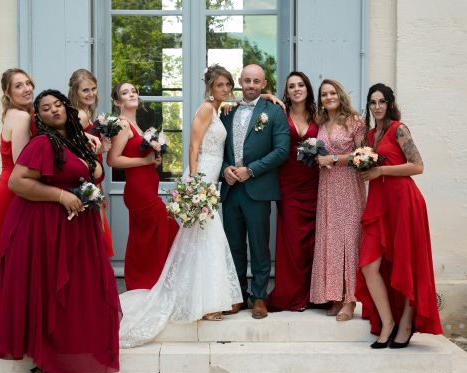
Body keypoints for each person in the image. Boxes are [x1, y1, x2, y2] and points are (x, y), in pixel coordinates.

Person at [0, 89, 121, 373]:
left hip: (78, 227)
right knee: (56, 294)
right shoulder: (42, 143)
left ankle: (58, 359)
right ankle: (51, 364)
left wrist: (92, 174)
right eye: (45, 108)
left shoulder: (76, 142)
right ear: (39, 117)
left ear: (67, 107)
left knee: (76, 293)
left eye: (57, 105)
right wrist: (61, 195)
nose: (54, 110)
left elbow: (93, 171)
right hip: (51, 228)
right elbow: (17, 182)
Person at [119, 65, 243, 348]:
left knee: (204, 238)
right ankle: (206, 303)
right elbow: (193, 146)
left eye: (228, 85)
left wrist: (271, 96)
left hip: (212, 178)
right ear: (210, 86)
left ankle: (208, 298)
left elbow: (245, 102)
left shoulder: (220, 108)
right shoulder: (205, 109)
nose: (226, 90)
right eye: (221, 85)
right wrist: (196, 183)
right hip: (201, 178)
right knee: (205, 237)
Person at [356, 83, 442, 348]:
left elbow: (418, 166)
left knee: (406, 262)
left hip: (404, 202)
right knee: (370, 265)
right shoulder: (370, 136)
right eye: (373, 102)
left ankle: (406, 322)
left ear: (390, 104)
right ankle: (388, 321)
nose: (377, 107)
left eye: (382, 102)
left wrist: (382, 171)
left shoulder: (399, 130)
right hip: (379, 205)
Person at [220, 64, 290, 319]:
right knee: (234, 245)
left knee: (259, 245)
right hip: (230, 190)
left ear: (263, 84)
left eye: (256, 81)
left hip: (257, 188)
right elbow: (217, 147)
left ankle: (260, 297)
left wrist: (250, 170)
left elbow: (282, 150)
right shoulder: (226, 110)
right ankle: (238, 295)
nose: (250, 85)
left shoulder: (274, 111)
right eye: (247, 80)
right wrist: (226, 169)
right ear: (240, 81)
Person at [106, 82, 179, 290]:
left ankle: (146, 282)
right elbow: (113, 160)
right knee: (165, 230)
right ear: (117, 102)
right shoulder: (121, 124)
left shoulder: (136, 125)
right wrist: (144, 162)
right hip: (139, 192)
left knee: (146, 240)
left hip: (147, 187)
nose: (131, 94)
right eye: (125, 93)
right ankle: (145, 281)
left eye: (134, 91)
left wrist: (153, 161)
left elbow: (135, 155)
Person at [310, 79, 366, 321]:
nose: (329, 97)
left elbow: (363, 155)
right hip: (327, 187)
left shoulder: (354, 121)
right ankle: (334, 295)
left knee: (349, 240)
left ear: (340, 95)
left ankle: (350, 300)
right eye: (324, 94)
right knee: (330, 239)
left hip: (349, 186)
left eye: (332, 93)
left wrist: (333, 158)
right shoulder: (321, 122)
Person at [267, 71, 320, 312]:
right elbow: (252, 101)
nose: (296, 89)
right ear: (286, 92)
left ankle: (314, 295)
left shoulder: (319, 117)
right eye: (291, 86)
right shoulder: (279, 112)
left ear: (307, 89)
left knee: (314, 240)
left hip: (315, 182)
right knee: (292, 240)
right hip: (287, 183)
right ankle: (291, 294)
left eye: (300, 85)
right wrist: (268, 95)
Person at [0, 68, 36, 333]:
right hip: (12, 193)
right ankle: (11, 324)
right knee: (13, 259)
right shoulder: (20, 117)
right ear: (8, 92)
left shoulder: (13, 114)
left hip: (4, 190)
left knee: (7, 258)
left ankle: (7, 322)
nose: (26, 88)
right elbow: (22, 165)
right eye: (19, 86)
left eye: (28, 83)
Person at [68, 68, 114, 257]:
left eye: (93, 89)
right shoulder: (80, 115)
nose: (91, 94)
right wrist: (100, 149)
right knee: (95, 233)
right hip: (86, 180)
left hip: (94, 179)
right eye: (85, 90)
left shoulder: (82, 112)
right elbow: (73, 151)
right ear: (75, 92)